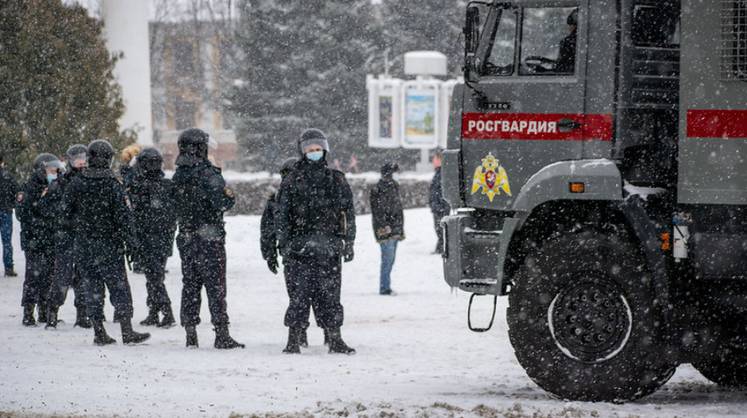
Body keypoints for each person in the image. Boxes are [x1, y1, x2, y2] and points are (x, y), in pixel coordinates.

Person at [276, 128, 356, 355]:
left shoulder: (335, 179)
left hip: (328, 249)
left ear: (325, 150)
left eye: (318, 149)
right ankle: (294, 338)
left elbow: (348, 213)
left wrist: (349, 242)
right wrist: (285, 244)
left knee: (330, 295)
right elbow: (282, 216)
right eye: (310, 150)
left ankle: (335, 338)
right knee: (299, 296)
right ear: (302, 152)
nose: (314, 153)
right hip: (299, 249)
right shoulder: (292, 181)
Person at [64, 139, 150, 346]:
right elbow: (124, 217)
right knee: (119, 288)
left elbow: (65, 214)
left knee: (92, 288)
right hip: (109, 245)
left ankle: (98, 331)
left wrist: (79, 230)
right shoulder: (112, 184)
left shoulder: (76, 183)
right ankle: (126, 331)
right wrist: (132, 244)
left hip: (85, 246)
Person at [172, 128, 244, 349]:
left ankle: (190, 333)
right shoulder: (208, 174)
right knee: (215, 286)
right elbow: (223, 203)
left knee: (190, 285)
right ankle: (221, 334)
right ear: (200, 148)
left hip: (186, 237)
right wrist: (228, 196)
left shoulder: (178, 174)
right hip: (209, 239)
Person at [128, 148, 177, 328]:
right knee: (154, 277)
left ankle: (166, 312)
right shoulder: (166, 185)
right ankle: (154, 312)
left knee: (154, 278)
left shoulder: (141, 186)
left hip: (149, 239)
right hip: (162, 239)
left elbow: (139, 212)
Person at [45, 145, 91, 329]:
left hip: (84, 236)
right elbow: (49, 207)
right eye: (77, 159)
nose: (81, 162)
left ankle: (82, 314)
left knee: (83, 276)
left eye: (83, 158)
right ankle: (52, 312)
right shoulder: (61, 183)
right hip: (66, 235)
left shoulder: (90, 180)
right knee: (62, 276)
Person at [16, 153, 63, 326]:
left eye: (55, 169)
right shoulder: (29, 188)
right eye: (51, 169)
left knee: (48, 277)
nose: (54, 172)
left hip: (50, 239)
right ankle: (28, 312)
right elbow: (23, 213)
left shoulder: (55, 187)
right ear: (41, 170)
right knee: (33, 277)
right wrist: (42, 210)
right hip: (34, 240)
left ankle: (44, 310)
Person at [370, 162, 404, 295]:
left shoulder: (393, 187)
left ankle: (385, 285)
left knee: (390, 259)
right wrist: (386, 228)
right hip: (386, 230)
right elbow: (378, 212)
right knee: (387, 259)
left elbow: (396, 209)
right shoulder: (379, 189)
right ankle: (384, 288)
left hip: (394, 229)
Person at [0, 154, 19, 277]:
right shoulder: (8, 176)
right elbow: (17, 192)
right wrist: (11, 204)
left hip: (5, 208)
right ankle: (8, 267)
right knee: (6, 241)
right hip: (5, 211)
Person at [429, 153, 450, 254]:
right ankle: (440, 247)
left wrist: (438, 205)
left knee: (440, 229)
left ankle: (442, 248)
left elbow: (439, 191)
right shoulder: (440, 173)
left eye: (435, 159)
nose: (433, 161)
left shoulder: (441, 173)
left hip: (440, 207)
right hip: (438, 207)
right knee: (439, 229)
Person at [555, 8, 578, 74]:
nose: (569, 28)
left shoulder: (567, 42)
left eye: (570, 25)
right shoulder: (583, 41)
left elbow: (562, 68)